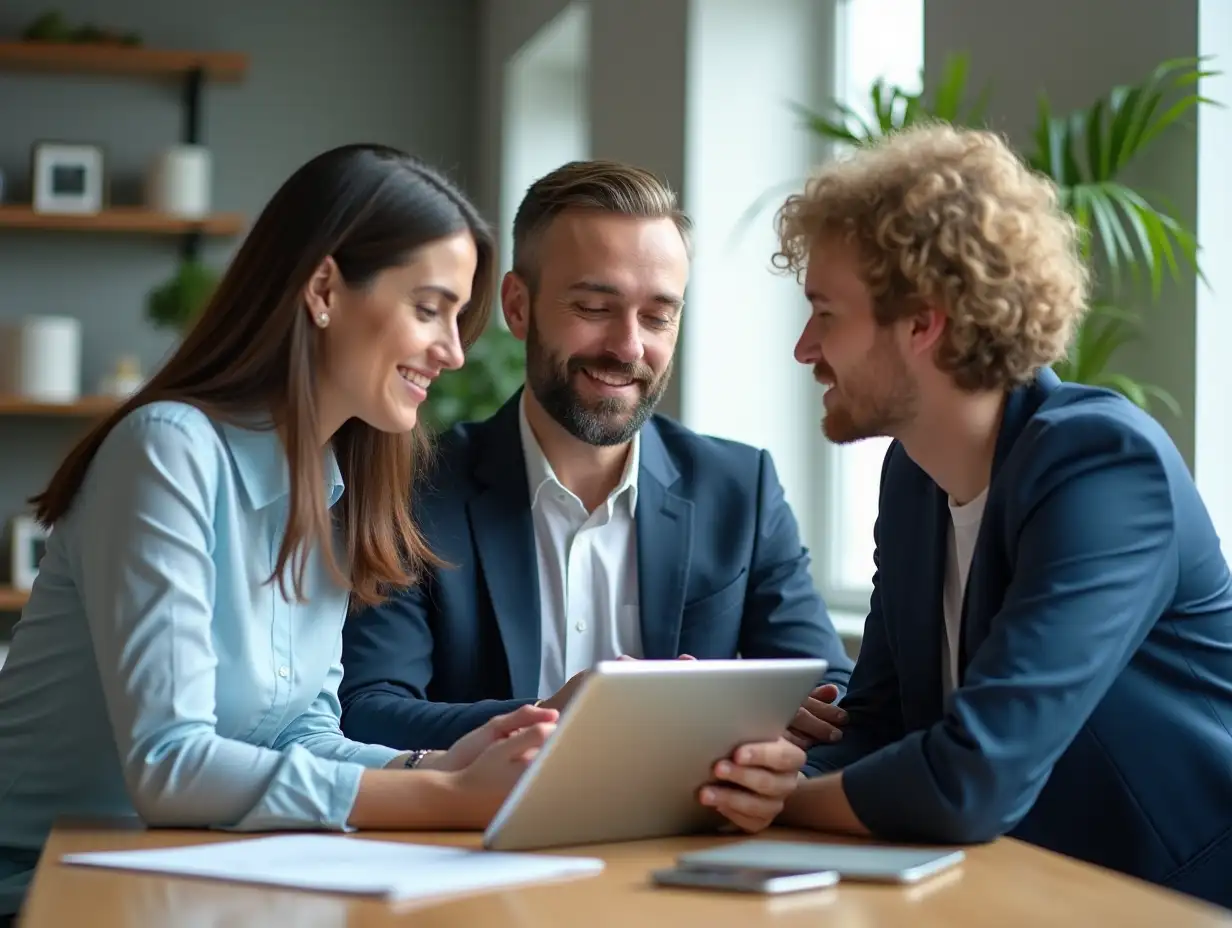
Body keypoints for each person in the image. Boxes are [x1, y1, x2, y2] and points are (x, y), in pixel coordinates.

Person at [0, 144, 560, 923]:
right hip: (42, 888)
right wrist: (442, 795)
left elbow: (299, 730)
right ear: (325, 287)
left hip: (198, 875)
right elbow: (169, 764)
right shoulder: (168, 449)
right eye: (430, 308)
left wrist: (431, 759)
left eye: (458, 319)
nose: (455, 351)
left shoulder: (335, 481)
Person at [753, 123, 1232, 907]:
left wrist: (782, 803)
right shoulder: (913, 475)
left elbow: (975, 774)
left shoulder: (1105, 466)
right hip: (1013, 890)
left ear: (922, 322)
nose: (806, 349)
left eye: (826, 314)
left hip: (1169, 901)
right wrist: (745, 770)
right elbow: (876, 724)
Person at [337, 159, 855, 756]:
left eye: (658, 316)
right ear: (518, 306)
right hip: (478, 838)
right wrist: (565, 717)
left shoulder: (741, 488)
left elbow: (829, 692)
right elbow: (368, 710)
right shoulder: (415, 488)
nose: (629, 346)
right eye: (593, 308)